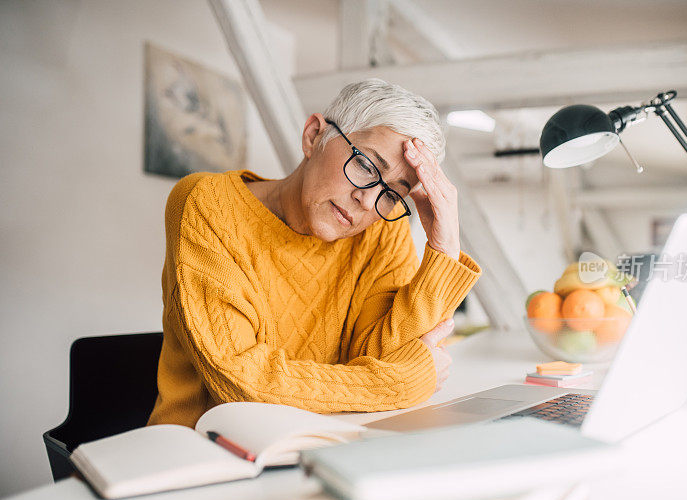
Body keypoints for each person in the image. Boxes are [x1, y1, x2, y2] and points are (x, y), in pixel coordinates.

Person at [148, 78, 482, 427]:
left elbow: (396, 357)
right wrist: (401, 382)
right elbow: (241, 385)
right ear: (313, 136)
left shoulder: (382, 227)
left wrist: (444, 250)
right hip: (201, 452)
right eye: (366, 166)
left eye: (392, 194)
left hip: (325, 442)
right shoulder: (208, 204)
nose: (368, 200)